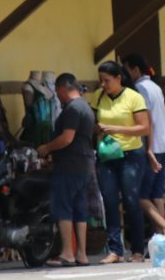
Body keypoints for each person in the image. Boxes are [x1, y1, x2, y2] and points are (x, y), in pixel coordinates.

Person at [92, 61, 149, 264]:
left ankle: (137, 250)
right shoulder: (99, 97)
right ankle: (115, 250)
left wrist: (115, 129)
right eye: (101, 81)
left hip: (130, 155)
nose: (103, 85)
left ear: (119, 78)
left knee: (131, 200)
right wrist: (97, 128)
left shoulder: (133, 97)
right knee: (109, 201)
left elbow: (144, 128)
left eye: (107, 81)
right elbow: (93, 121)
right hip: (107, 156)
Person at [37, 73, 94, 267]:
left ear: (62, 88)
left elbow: (67, 138)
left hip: (69, 166)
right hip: (85, 165)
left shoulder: (72, 109)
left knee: (63, 208)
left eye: (57, 92)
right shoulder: (85, 106)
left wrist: (47, 148)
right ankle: (82, 254)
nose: (57, 97)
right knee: (80, 210)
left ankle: (68, 253)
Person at [121, 54, 165, 236]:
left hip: (152, 147)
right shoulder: (155, 87)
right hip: (163, 145)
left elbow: (147, 120)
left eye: (126, 70)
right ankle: (161, 238)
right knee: (157, 195)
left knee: (142, 196)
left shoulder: (139, 88)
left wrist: (149, 149)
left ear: (135, 69)